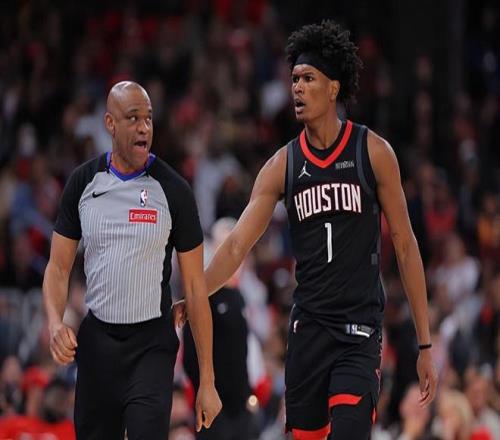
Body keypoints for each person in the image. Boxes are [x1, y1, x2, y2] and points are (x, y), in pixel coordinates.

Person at [174, 20, 437, 439]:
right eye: (294, 78)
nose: (297, 87)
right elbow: (238, 243)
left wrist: (425, 344)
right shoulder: (282, 165)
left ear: (333, 88)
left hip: (358, 328)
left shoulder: (373, 152)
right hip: (309, 328)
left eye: (308, 78)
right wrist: (196, 293)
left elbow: (406, 247)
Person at [43, 81, 221, 440]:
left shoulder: (174, 190)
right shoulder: (83, 183)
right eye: (133, 118)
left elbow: (194, 287)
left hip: (151, 346)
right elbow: (58, 267)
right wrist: (54, 322)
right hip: (97, 343)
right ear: (110, 124)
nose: (144, 128)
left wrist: (207, 380)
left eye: (149, 119)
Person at [183, 217, 254, 440]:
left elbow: (242, 353)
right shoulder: (203, 297)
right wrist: (205, 392)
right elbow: (190, 356)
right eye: (224, 247)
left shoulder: (239, 296)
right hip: (214, 409)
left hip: (240, 409)